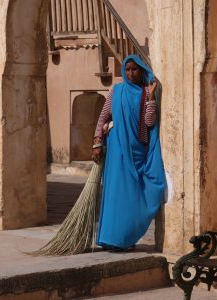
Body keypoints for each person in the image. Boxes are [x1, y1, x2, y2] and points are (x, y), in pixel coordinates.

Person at [91, 54, 166, 251]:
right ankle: (110, 239)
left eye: (134, 69)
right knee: (115, 192)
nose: (130, 73)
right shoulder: (116, 91)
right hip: (116, 149)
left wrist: (151, 98)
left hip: (137, 150)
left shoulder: (145, 93)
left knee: (132, 195)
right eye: (127, 69)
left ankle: (126, 238)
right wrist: (97, 143)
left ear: (141, 71)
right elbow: (103, 118)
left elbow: (149, 123)